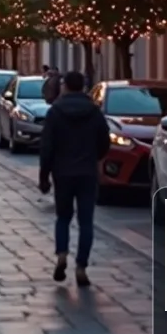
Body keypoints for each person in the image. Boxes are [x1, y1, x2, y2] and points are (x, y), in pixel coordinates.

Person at [38, 68, 111, 287]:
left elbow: (47, 146)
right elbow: (104, 141)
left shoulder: (56, 111)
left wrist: (44, 175)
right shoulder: (94, 111)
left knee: (63, 217)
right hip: (87, 172)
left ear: (66, 86)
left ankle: (61, 255)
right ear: (83, 87)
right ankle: (81, 266)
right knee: (86, 221)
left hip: (62, 172)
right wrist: (93, 157)